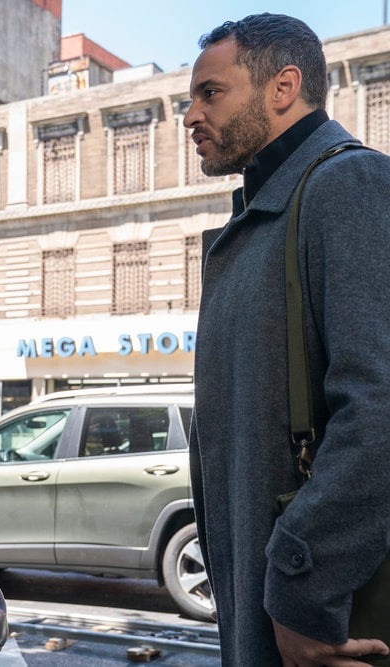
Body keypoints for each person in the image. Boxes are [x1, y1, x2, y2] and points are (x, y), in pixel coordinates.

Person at [184, 13, 390, 666]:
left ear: (283, 87)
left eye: (209, 93)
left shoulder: (347, 185)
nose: (190, 116)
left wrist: (305, 587)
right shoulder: (264, 216)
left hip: (321, 622)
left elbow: (377, 407)